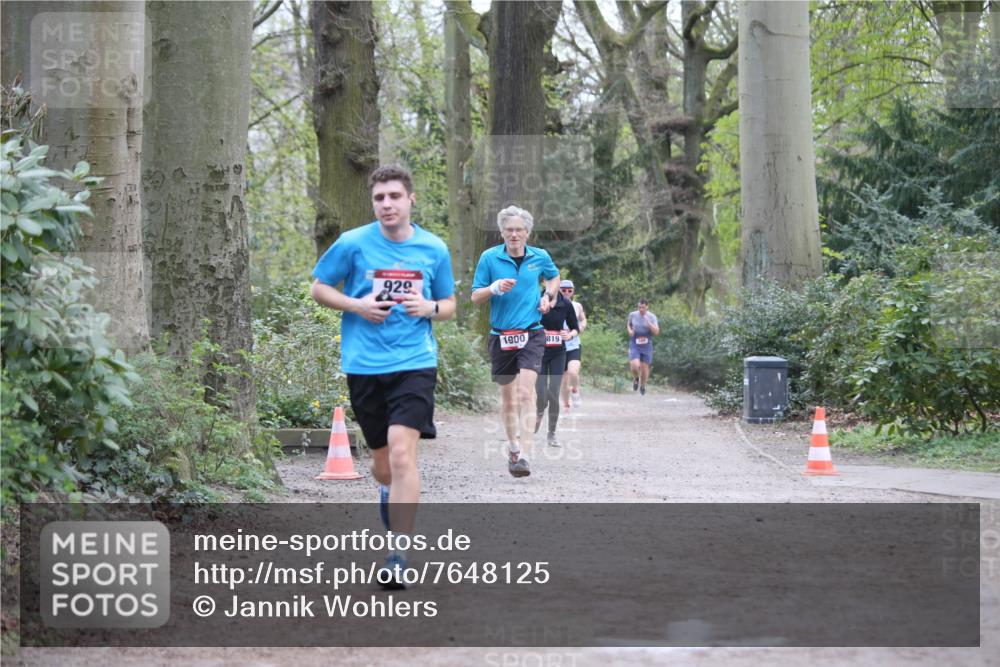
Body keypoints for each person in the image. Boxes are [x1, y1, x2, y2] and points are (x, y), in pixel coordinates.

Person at [310, 164, 456, 588]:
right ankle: (390, 493)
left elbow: (448, 304)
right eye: (379, 198)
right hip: (364, 366)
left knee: (401, 453)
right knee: (382, 465)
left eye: (394, 196)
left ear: (411, 199)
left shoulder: (433, 248)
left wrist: (427, 307)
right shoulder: (352, 243)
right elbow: (319, 287)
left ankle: (398, 554)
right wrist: (358, 305)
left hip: (415, 362)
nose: (387, 204)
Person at [471, 205, 560, 478]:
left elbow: (553, 276)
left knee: (525, 393)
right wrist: (493, 288)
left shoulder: (539, 256)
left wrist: (549, 296)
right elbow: (475, 296)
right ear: (502, 232)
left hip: (532, 332)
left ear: (527, 232)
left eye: (519, 229)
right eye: (509, 229)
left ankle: (525, 456)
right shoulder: (489, 258)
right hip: (501, 336)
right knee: (508, 400)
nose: (514, 234)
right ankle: (512, 447)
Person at [534, 286, 580, 446]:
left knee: (553, 391)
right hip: (538, 351)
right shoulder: (535, 298)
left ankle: (551, 433)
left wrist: (569, 335)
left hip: (558, 353)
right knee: (540, 391)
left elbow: (576, 327)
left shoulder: (565, 304)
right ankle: (540, 410)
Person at [558, 280, 587, 409]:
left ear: (573, 291)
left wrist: (581, 327)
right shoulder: (552, 305)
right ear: (558, 290)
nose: (566, 292)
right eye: (563, 290)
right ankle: (566, 406)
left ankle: (575, 390)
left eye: (569, 290)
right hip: (558, 347)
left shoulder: (577, 306)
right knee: (563, 381)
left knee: (573, 372)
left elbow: (583, 319)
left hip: (573, 345)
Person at [627, 298, 660, 395]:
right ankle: (636, 378)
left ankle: (643, 385)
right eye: (639, 307)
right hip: (635, 343)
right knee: (634, 366)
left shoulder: (652, 316)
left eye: (643, 307)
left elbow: (657, 332)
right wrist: (630, 331)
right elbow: (629, 324)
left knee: (645, 370)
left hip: (646, 344)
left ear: (647, 307)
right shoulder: (632, 315)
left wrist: (648, 323)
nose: (641, 309)